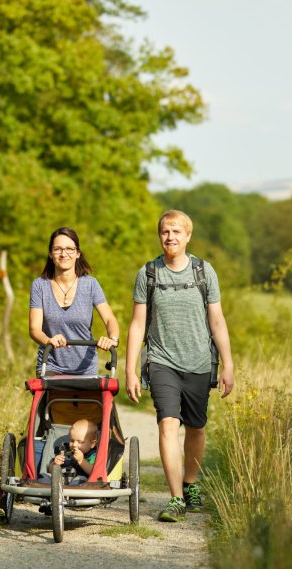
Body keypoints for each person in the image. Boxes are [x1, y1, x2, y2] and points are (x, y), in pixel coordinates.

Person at [125, 209, 235, 522]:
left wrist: (228, 364)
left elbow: (217, 320)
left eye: (176, 232)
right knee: (168, 423)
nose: (170, 237)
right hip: (162, 361)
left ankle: (191, 485)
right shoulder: (148, 274)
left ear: (188, 236)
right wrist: (131, 369)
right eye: (164, 232)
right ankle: (175, 498)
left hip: (199, 361)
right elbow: (137, 324)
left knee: (197, 428)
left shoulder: (204, 272)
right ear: (159, 236)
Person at [30, 227, 120, 376]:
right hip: (51, 364)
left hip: (85, 368)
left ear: (78, 253)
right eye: (58, 249)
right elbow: (34, 329)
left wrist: (112, 339)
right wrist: (48, 340)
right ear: (50, 254)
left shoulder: (90, 284)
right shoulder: (40, 285)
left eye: (69, 249)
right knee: (50, 398)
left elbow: (110, 319)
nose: (64, 254)